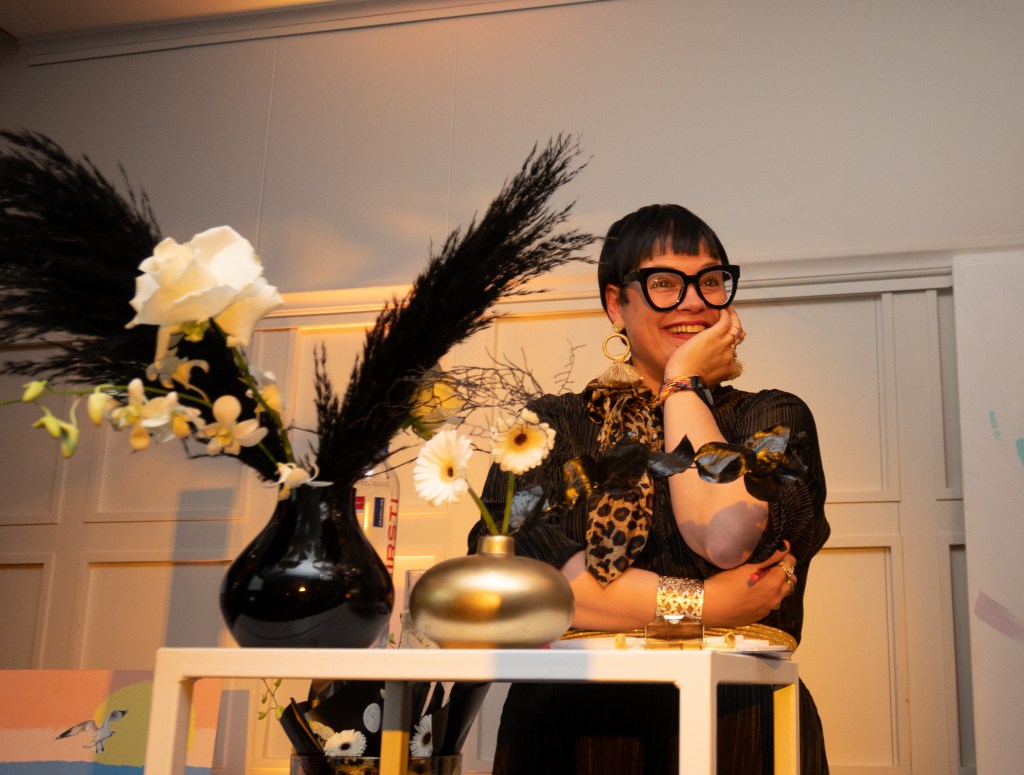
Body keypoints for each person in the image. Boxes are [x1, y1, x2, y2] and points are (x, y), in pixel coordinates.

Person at [468, 204, 831, 774]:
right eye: (664, 283)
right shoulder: (550, 426)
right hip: (570, 730)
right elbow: (531, 589)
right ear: (616, 304)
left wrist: (682, 386)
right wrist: (708, 604)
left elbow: (725, 539)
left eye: (710, 281)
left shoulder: (772, 418)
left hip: (736, 725)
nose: (693, 301)